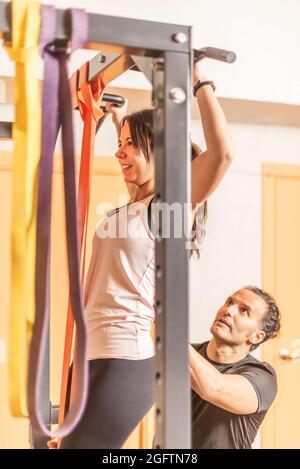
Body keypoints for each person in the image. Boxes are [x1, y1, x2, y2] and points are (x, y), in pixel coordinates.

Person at [56, 60, 234, 449]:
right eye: (118, 145)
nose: (120, 154)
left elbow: (221, 155)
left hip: (123, 358)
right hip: (89, 354)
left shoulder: (171, 207)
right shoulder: (129, 208)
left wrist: (201, 81)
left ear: (161, 150)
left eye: (130, 145)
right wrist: (116, 116)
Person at [189, 285, 281, 449]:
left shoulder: (263, 378)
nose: (229, 310)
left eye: (244, 310)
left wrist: (171, 332)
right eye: (229, 302)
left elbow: (214, 388)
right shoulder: (189, 352)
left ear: (257, 336)